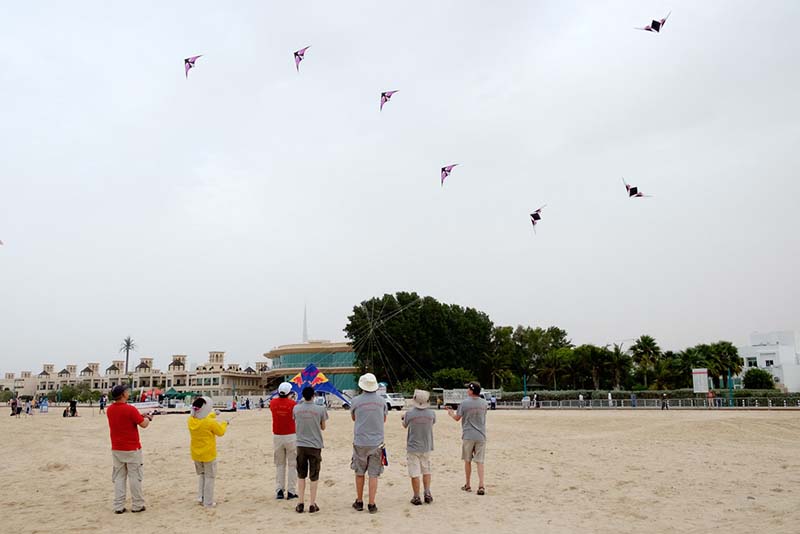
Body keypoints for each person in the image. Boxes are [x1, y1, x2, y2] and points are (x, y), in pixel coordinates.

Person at [106, 384, 151, 514]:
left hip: (117, 448)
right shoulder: (130, 409)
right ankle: (137, 504)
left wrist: (139, 415)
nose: (128, 392)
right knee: (134, 476)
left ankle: (118, 506)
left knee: (119, 477)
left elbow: (125, 418)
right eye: (126, 391)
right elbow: (143, 424)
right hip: (132, 448)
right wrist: (148, 418)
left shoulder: (110, 409)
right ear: (123, 394)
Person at [349, 373, 387, 514]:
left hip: (360, 441)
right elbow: (384, 419)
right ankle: (371, 503)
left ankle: (359, 501)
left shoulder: (356, 401)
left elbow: (354, 417)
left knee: (359, 472)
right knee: (373, 474)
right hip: (377, 441)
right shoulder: (382, 401)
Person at [447, 381, 488, 495]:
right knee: (480, 461)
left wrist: (451, 413)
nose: (466, 391)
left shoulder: (464, 403)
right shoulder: (484, 403)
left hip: (468, 435)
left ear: (471, 390)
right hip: (481, 435)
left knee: (467, 460)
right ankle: (481, 485)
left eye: (468, 389)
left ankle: (468, 484)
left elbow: (457, 418)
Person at [293, 386, 328, 513]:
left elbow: (295, 422)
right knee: (314, 475)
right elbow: (323, 427)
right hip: (315, 445)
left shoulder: (296, 408)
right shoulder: (320, 409)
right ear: (313, 396)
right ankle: (312, 503)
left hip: (301, 445)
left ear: (303, 395)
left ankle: (300, 502)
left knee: (301, 474)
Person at [188, 396, 228, 508]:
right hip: (208, 454)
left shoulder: (191, 420)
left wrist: (214, 413)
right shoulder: (210, 423)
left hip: (196, 454)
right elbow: (220, 432)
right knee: (210, 477)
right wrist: (225, 423)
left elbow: (202, 417)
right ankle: (208, 502)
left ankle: (201, 497)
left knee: (202, 475)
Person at [402, 390, 436, 505]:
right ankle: (427, 493)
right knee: (426, 470)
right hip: (426, 446)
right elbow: (433, 423)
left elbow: (405, 425)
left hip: (413, 446)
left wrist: (403, 418)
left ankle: (416, 496)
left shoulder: (409, 413)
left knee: (415, 472)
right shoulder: (431, 413)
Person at [270, 382, 298, 500]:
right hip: (291, 435)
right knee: (292, 464)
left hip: (277, 436)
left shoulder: (272, 403)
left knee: (279, 464)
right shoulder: (293, 404)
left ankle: (279, 490)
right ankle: (291, 491)